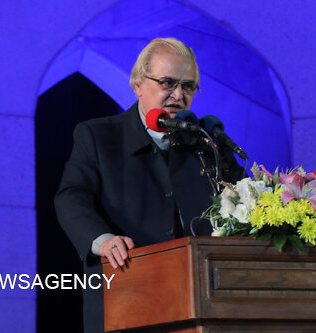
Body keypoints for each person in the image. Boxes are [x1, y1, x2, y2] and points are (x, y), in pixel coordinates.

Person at [55, 38, 244, 333]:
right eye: (167, 83)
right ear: (138, 84)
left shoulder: (207, 143)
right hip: (126, 292)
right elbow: (71, 197)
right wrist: (101, 239)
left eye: (188, 86)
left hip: (204, 303)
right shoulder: (99, 136)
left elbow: (245, 200)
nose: (178, 95)